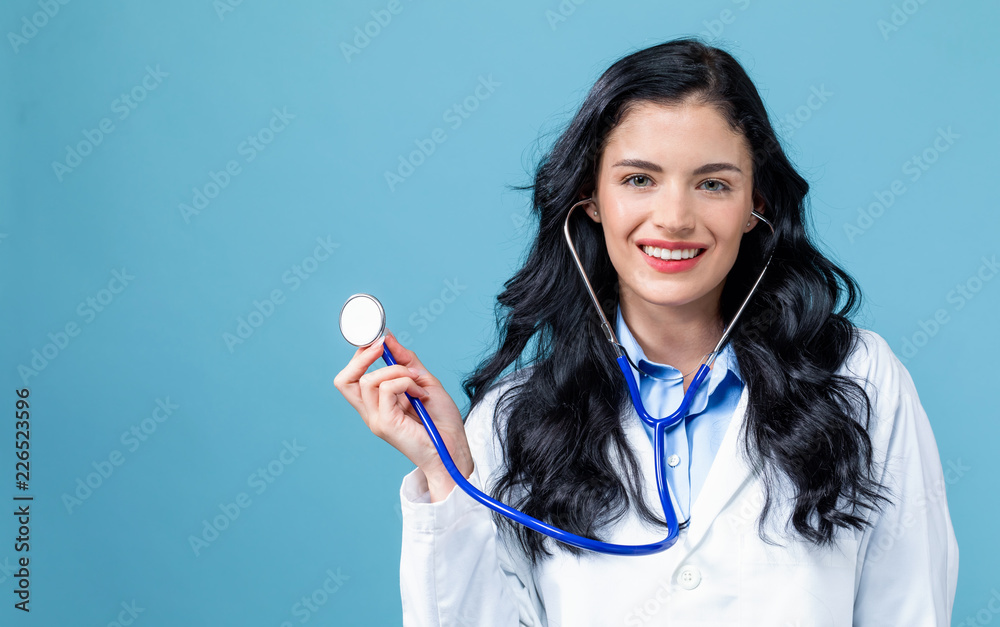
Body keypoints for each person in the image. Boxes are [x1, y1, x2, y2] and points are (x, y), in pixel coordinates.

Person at [334, 37, 958, 626]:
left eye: (713, 184)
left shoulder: (859, 380)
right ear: (591, 198)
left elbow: (910, 609)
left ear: (756, 205)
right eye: (639, 179)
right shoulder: (513, 419)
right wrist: (447, 474)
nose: (675, 218)